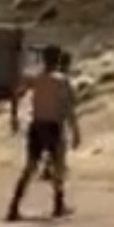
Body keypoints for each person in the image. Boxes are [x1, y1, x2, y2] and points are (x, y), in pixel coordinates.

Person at [5, 44, 80, 222]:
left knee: (30, 167)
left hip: (37, 125)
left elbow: (16, 94)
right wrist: (75, 130)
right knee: (58, 166)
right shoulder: (61, 81)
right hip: (53, 126)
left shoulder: (35, 78)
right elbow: (68, 108)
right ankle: (58, 205)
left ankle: (14, 206)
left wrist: (14, 116)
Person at [39, 49, 73, 184]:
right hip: (57, 117)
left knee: (51, 146)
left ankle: (49, 169)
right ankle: (54, 171)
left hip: (48, 115)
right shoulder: (63, 77)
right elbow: (66, 99)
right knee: (59, 147)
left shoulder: (55, 75)